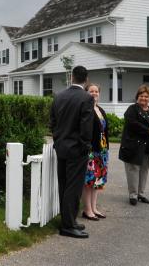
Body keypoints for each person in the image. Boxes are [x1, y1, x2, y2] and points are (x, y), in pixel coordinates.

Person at [49, 65, 94, 238]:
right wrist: (85, 146)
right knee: (73, 188)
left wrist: (58, 140)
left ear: (72, 77)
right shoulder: (86, 98)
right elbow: (86, 127)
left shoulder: (59, 96)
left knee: (64, 185)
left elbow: (52, 122)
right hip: (77, 150)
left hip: (61, 148)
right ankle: (67, 226)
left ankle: (70, 220)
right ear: (86, 79)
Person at [119, 84, 149, 206]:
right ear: (137, 97)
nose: (144, 98)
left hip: (147, 147)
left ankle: (140, 194)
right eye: (141, 96)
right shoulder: (132, 109)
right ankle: (133, 195)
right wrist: (148, 130)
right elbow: (133, 123)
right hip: (132, 147)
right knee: (133, 170)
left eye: (146, 96)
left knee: (144, 170)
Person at [81, 83, 109, 220]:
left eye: (96, 91)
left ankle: (94, 208)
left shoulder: (99, 109)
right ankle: (87, 210)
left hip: (101, 151)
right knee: (89, 181)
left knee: (97, 182)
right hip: (91, 151)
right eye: (91, 91)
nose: (94, 93)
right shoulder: (86, 109)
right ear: (86, 93)